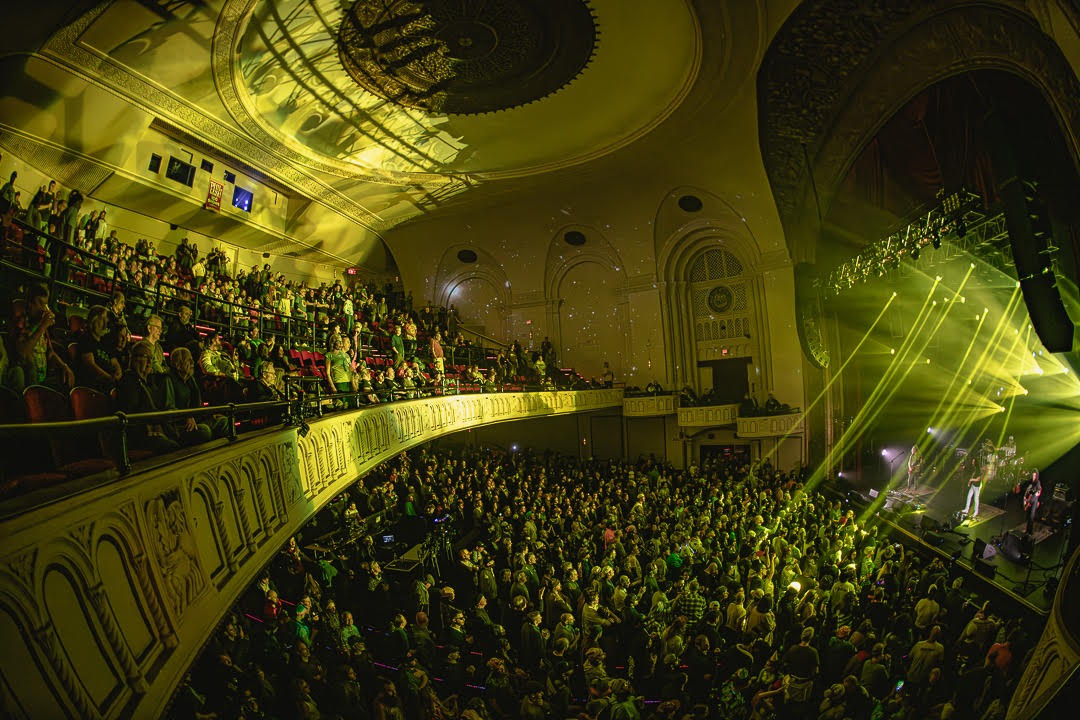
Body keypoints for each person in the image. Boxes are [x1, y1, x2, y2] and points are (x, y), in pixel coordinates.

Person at [116, 341, 181, 454]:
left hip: (152, 426)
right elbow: (134, 412)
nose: (150, 362)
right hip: (137, 434)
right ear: (135, 359)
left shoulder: (148, 382)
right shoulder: (129, 381)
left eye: (151, 358)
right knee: (173, 447)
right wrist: (151, 426)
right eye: (146, 357)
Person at [15, 283, 75, 390]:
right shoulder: (22, 321)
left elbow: (50, 352)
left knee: (68, 381)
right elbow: (23, 353)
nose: (44, 309)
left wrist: (64, 365)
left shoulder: (41, 323)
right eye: (41, 304)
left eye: (46, 305)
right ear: (30, 304)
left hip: (43, 379)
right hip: (29, 381)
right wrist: (43, 326)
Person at [76, 305, 123, 392]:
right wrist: (109, 378)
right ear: (93, 320)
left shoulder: (105, 342)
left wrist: (118, 372)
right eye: (102, 319)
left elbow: (114, 361)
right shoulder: (86, 339)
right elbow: (90, 365)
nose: (106, 323)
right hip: (95, 385)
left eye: (106, 320)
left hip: (111, 382)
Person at [961, 455, 985, 523]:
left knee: (976, 499)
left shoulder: (978, 469)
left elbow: (978, 479)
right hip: (973, 485)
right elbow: (972, 475)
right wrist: (969, 482)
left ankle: (976, 512)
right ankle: (966, 509)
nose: (972, 462)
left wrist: (972, 479)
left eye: (973, 461)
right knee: (969, 497)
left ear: (976, 462)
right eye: (972, 461)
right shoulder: (974, 468)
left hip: (977, 486)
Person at [1024, 469, 1042, 535]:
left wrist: (1033, 492)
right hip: (1029, 501)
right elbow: (1028, 490)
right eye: (1033, 475)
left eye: (1035, 475)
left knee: (1031, 516)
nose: (1034, 477)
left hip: (1034, 501)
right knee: (1028, 516)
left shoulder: (1038, 482)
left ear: (1037, 476)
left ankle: (1030, 531)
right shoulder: (1031, 482)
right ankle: (1027, 530)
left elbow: (1037, 491)